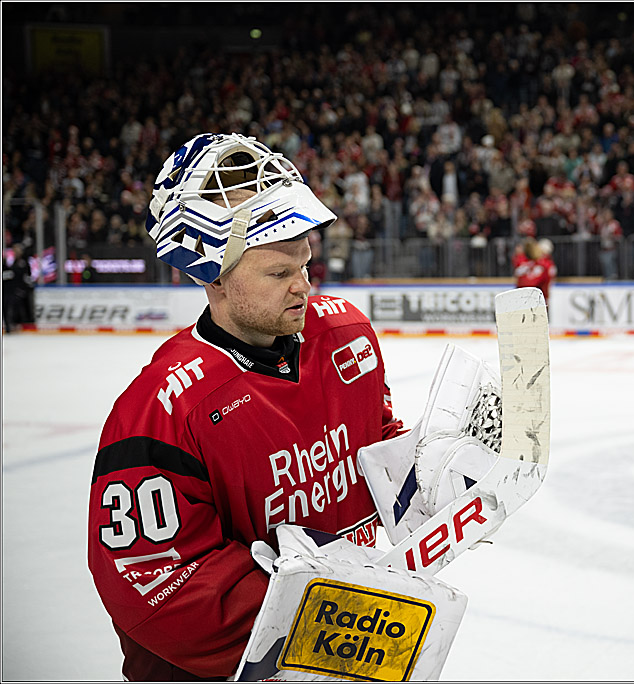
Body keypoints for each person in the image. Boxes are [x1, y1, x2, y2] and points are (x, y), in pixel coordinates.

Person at [87, 134, 406, 680]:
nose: (303, 287)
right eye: (278, 274)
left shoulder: (345, 333)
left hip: (348, 652)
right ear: (210, 274)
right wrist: (327, 624)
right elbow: (157, 586)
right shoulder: (159, 412)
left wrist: (432, 468)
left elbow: (375, 444)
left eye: (305, 265)